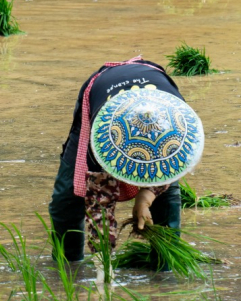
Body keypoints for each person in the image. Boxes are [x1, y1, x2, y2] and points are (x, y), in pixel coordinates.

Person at [48, 55, 203, 262]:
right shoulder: (100, 137)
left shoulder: (178, 123)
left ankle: (166, 265)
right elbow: (100, 207)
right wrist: (103, 267)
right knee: (66, 200)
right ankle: (67, 264)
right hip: (101, 94)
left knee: (166, 200)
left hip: (154, 88)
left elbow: (174, 165)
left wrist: (146, 197)